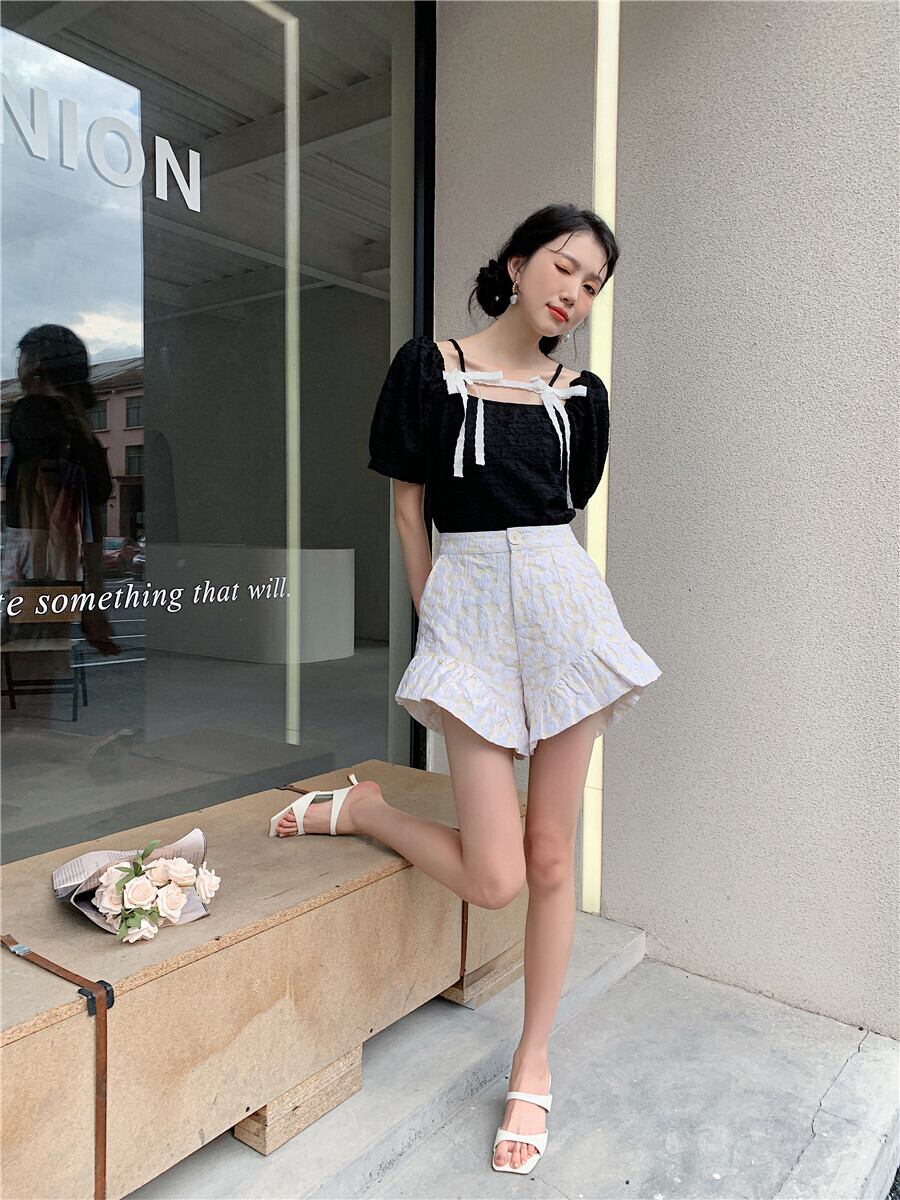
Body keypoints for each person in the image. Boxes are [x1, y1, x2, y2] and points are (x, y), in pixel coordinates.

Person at [272, 203, 662, 1174]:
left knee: (551, 857)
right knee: (496, 878)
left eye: (593, 284)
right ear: (518, 263)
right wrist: (435, 617)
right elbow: (410, 511)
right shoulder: (427, 369)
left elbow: (563, 512)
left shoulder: (583, 396)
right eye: (564, 268)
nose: (575, 294)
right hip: (470, 608)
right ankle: (367, 809)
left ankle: (533, 1060)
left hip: (565, 611)